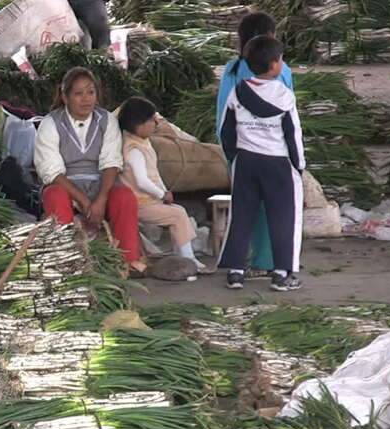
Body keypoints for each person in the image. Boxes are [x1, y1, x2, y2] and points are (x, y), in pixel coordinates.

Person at [33, 67, 144, 276]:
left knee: (124, 196)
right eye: (78, 93)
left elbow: (111, 162)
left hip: (101, 184)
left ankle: (128, 262)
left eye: (90, 92)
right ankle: (66, 260)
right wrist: (84, 202)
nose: (86, 99)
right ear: (65, 97)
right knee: (54, 195)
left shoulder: (107, 120)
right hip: (65, 185)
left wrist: (101, 199)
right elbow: (51, 171)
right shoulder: (51, 123)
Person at [219, 36, 304, 292]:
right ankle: (281, 273)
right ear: (276, 64)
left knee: (242, 215)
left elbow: (226, 131)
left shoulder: (238, 91)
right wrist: (299, 166)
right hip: (277, 165)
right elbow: (293, 135)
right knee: (283, 217)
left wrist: (234, 157)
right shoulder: (284, 96)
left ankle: (235, 271)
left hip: (246, 161)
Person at [117, 97, 211, 277]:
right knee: (178, 215)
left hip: (150, 201)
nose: (155, 124)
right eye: (152, 120)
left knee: (178, 213)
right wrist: (161, 194)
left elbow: (154, 174)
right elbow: (142, 181)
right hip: (139, 204)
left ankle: (183, 257)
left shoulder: (144, 143)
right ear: (139, 123)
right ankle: (190, 260)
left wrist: (164, 192)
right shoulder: (133, 149)